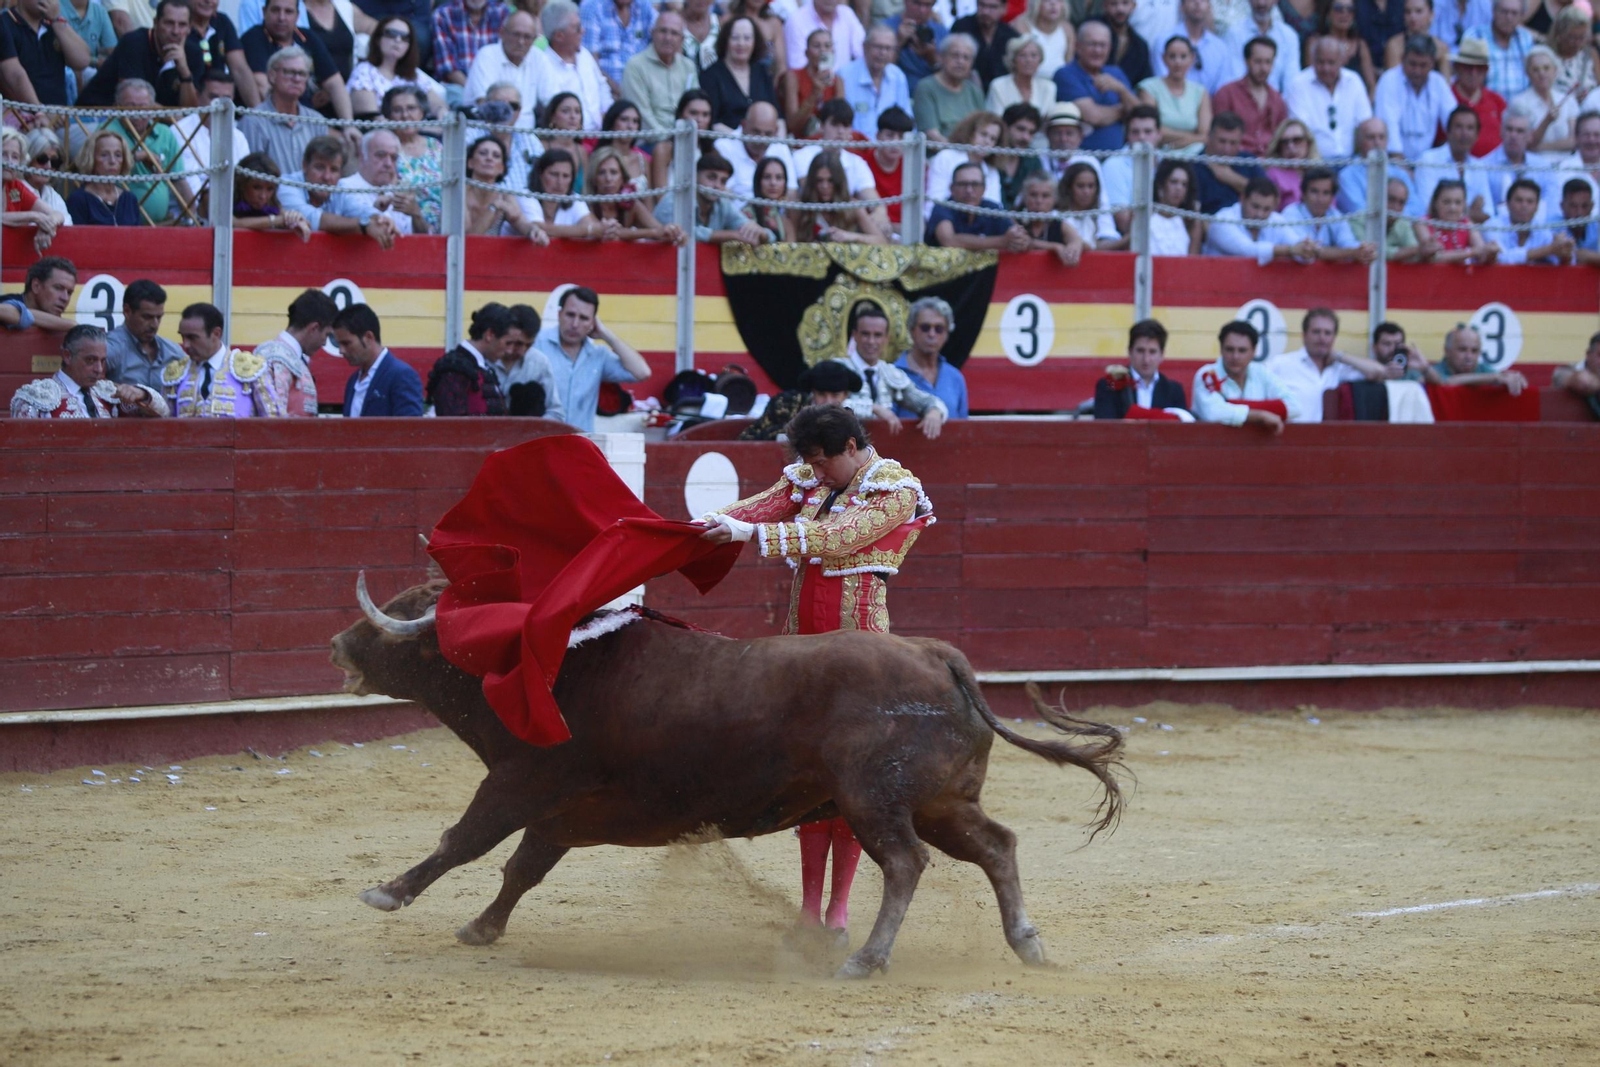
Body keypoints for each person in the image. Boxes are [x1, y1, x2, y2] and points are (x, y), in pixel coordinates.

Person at [699, 403, 935, 944]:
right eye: (811, 463)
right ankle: (809, 909)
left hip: (861, 650)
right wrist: (716, 523)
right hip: (802, 641)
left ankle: (840, 911)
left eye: (825, 461)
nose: (817, 472)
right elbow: (763, 505)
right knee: (806, 772)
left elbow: (839, 537)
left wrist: (749, 536)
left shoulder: (896, 490)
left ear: (852, 447)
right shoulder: (811, 474)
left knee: (850, 776)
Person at [532, 285, 652, 433]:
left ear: (592, 323)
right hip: (541, 441)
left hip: (580, 445)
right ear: (559, 314)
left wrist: (605, 334)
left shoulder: (598, 355)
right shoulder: (536, 343)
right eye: (570, 315)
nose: (575, 324)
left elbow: (642, 372)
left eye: (583, 318)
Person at [1263, 307, 1395, 422]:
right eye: (1316, 332)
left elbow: (1380, 372)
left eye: (1328, 333)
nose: (1322, 338)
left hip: (1328, 443)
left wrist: (1341, 356)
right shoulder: (1281, 363)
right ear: (1304, 335)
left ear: (1334, 337)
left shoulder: (1340, 369)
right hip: (1291, 441)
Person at [835, 300, 947, 434]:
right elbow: (824, 406)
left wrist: (934, 411)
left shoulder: (890, 373)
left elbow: (927, 401)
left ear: (886, 338)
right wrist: (873, 408)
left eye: (877, 335)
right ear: (855, 335)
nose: (871, 341)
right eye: (865, 334)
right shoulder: (837, 369)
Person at [10, 324, 169, 419]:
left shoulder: (107, 393)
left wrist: (141, 394)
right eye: (90, 360)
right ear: (67, 356)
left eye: (102, 361)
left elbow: (162, 413)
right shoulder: (35, 396)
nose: (99, 369)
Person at [278, 135, 401, 247]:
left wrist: (380, 219)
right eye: (320, 167)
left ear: (341, 173)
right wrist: (364, 225)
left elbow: (360, 209)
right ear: (305, 166)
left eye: (334, 170)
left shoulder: (340, 188)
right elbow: (310, 217)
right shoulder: (287, 185)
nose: (327, 177)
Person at [241, 0, 354, 119]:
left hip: (312, 117)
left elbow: (335, 83)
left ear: (298, 15)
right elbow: (263, 87)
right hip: (278, 119)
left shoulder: (307, 37)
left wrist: (348, 125)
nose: (282, 17)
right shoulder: (253, 38)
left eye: (288, 12)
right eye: (275, 10)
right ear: (264, 12)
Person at [163, 302, 278, 417]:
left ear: (216, 334)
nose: (186, 345)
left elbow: (274, 420)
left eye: (192, 337)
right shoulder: (176, 374)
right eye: (183, 337)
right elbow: (164, 423)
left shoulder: (251, 369)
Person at [105, 78, 194, 226]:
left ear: (153, 108)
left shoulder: (165, 133)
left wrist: (192, 217)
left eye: (143, 106)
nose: (138, 112)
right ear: (117, 107)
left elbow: (179, 180)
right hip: (116, 224)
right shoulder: (108, 130)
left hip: (160, 224)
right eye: (131, 106)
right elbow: (92, 167)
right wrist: (140, 156)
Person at [81, 0, 204, 106]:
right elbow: (134, 103)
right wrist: (173, 118)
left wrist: (184, 72)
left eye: (182, 25)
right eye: (169, 23)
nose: (176, 31)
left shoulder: (194, 52)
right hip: (96, 117)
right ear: (155, 23)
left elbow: (190, 112)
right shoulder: (133, 43)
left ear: (189, 28)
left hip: (153, 126)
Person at [241, 46, 337, 176]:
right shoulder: (253, 121)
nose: (297, 79)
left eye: (302, 74)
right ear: (272, 76)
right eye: (289, 72)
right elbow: (252, 175)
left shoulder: (317, 120)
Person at [1192, 318, 1297, 431]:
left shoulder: (1261, 373)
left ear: (1253, 351)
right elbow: (1213, 413)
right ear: (1221, 349)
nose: (1235, 356)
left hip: (1255, 447)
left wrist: (1231, 406)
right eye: (1229, 349)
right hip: (1213, 446)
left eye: (1242, 350)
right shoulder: (1207, 374)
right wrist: (1260, 415)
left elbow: (1294, 407)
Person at [252, 287, 337, 418]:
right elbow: (273, 419)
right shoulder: (278, 358)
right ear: (314, 328)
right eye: (326, 334)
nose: (325, 342)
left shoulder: (288, 357)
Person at [653, 151, 771, 244]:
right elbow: (685, 233)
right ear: (694, 177)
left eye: (723, 181)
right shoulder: (673, 201)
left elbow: (766, 235)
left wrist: (761, 233)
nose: (717, 186)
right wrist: (732, 235)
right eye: (711, 178)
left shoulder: (722, 203)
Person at [172, 68, 251, 206]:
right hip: (194, 215)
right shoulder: (179, 131)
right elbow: (192, 191)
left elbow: (245, 182)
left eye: (226, 99)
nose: (220, 104)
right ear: (197, 96)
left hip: (235, 209)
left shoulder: (238, 136)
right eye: (213, 97)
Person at [1285, 35, 1373, 157]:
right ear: (1313, 60)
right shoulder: (1298, 85)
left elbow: (1365, 124)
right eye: (1321, 62)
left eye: (1331, 63)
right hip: (1314, 163)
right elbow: (1301, 130)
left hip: (1352, 161)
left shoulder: (1354, 81)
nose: (1326, 68)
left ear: (1342, 61)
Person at [1055, 20, 1137, 150]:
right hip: (1082, 158)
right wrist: (1123, 110)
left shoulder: (1116, 73)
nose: (1098, 50)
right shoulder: (1065, 74)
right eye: (1092, 44)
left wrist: (1122, 90)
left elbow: (1139, 113)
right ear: (1078, 46)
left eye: (1102, 45)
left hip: (1119, 155)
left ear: (1110, 48)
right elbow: (1093, 116)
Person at [331, 302, 424, 417]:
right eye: (339, 344)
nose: (341, 350)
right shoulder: (353, 381)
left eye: (346, 343)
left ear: (369, 337)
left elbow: (410, 431)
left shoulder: (401, 376)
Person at [1375, 34, 1458, 160]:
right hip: (1392, 161)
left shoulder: (1438, 82)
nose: (1417, 71)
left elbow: (1454, 121)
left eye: (1423, 65)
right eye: (1412, 64)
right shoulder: (1389, 80)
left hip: (1427, 163)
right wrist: (1403, 168)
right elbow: (1389, 127)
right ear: (1403, 59)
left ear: (1432, 64)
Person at [331, 128, 428, 235]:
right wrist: (376, 210)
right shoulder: (345, 187)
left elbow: (424, 240)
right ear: (362, 157)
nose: (388, 164)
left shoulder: (398, 192)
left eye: (394, 158)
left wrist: (416, 214)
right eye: (381, 155)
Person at [737, 359, 863, 441]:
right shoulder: (785, 405)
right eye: (821, 394)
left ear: (846, 395)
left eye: (835, 395)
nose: (828, 401)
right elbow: (747, 438)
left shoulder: (849, 420)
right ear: (812, 392)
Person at [1204, 175, 1319, 261]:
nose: (1260, 214)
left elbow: (1298, 249)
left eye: (1266, 209)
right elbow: (1247, 250)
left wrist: (1306, 249)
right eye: (1255, 206)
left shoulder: (1276, 220)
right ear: (1242, 199)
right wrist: (1290, 250)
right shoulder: (1222, 220)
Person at [536, 0, 613, 128]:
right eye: (577, 28)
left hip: (602, 135)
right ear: (559, 36)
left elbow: (602, 87)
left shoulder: (585, 55)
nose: (583, 31)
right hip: (571, 139)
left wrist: (608, 116)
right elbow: (556, 110)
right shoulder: (543, 64)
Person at [348, 14, 444, 115]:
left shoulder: (414, 75)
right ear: (378, 39)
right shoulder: (364, 71)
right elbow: (371, 117)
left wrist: (441, 112)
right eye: (391, 34)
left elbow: (438, 106)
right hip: (380, 130)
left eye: (404, 38)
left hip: (416, 129)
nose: (398, 40)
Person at [622, 10, 700, 134]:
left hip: (684, 137)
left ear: (682, 39)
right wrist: (667, 138)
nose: (668, 38)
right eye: (663, 31)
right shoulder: (635, 66)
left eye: (674, 33)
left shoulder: (688, 66)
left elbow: (695, 107)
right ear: (652, 33)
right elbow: (642, 115)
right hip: (649, 140)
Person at [1095, 317, 1188, 418]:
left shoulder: (1174, 391)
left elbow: (1180, 431)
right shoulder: (1109, 385)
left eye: (1152, 352)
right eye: (1140, 351)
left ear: (1162, 354)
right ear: (1130, 351)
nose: (1146, 359)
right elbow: (1105, 429)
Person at [2, 0, 91, 105]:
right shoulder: (4, 23)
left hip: (59, 114)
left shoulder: (55, 25)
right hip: (21, 116)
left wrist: (57, 20)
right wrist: (40, 112)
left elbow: (82, 61)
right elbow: (14, 75)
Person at [464, 10, 545, 125]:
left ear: (534, 40)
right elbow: (485, 104)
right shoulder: (487, 55)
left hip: (527, 136)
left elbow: (553, 99)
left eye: (527, 37)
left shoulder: (538, 57)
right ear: (502, 33)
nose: (521, 42)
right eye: (516, 34)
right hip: (488, 131)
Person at [895, 296, 970, 420]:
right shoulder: (893, 374)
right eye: (925, 327)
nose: (931, 334)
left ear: (946, 334)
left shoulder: (955, 378)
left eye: (939, 329)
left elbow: (964, 431)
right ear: (912, 330)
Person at [929, 161, 1032, 250]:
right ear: (952, 188)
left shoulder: (992, 208)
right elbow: (949, 241)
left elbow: (1019, 236)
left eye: (975, 184)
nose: (969, 190)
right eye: (963, 184)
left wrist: (1018, 240)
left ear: (984, 189)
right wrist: (1002, 241)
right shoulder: (942, 207)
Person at [103, 279, 185, 391]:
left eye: (159, 317)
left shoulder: (174, 352)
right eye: (147, 317)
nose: (154, 325)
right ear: (127, 311)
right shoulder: (112, 346)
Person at [1282, 167, 1379, 261]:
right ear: (1303, 194)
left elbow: (1348, 243)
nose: (1320, 199)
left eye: (1326, 193)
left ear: (1332, 197)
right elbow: (1309, 251)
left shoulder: (1334, 215)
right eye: (1314, 191)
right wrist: (1352, 252)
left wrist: (1363, 250)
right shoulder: (1291, 213)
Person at [1414, 106, 1493, 220]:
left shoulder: (1479, 166)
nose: (1464, 133)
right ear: (1448, 131)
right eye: (1459, 127)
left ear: (1477, 135)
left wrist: (1454, 213)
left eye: (1470, 128)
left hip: (1472, 234)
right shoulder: (1428, 159)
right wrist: (1470, 213)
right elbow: (1428, 209)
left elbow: (1488, 212)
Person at [702, 16, 779, 132]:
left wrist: (780, 143)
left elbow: (779, 117)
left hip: (764, 142)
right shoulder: (711, 75)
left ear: (755, 42)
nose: (741, 43)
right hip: (727, 142)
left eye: (747, 38)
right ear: (726, 40)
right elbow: (713, 122)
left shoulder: (762, 72)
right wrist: (743, 142)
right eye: (735, 38)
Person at [1213, 36, 1288, 154]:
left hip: (1270, 162)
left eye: (1268, 62)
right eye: (1258, 61)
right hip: (1237, 159)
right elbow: (1218, 137)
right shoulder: (1227, 93)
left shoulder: (1277, 99)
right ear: (1246, 61)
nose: (1263, 68)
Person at [588, 145, 680, 241]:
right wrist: (652, 232)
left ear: (623, 177)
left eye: (614, 172)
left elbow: (660, 230)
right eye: (602, 172)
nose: (608, 179)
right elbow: (606, 232)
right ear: (594, 178)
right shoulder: (587, 204)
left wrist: (672, 231)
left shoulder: (631, 203)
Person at [463, 135, 547, 241]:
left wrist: (535, 231)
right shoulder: (460, 194)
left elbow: (521, 222)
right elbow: (469, 241)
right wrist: (493, 208)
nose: (489, 158)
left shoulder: (504, 196)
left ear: (502, 168)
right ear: (470, 163)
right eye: (483, 153)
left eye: (496, 156)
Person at [712, 101, 796, 203]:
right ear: (743, 126)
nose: (762, 139)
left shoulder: (781, 147)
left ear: (776, 131)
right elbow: (724, 195)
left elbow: (791, 192)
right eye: (756, 132)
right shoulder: (723, 147)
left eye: (768, 134)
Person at [791, 153, 885, 243]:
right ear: (812, 181)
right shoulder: (800, 208)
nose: (825, 186)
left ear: (838, 182)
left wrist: (851, 237)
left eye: (830, 181)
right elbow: (790, 244)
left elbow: (881, 241)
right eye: (819, 180)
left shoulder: (852, 207)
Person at [1139, 34, 1212, 148]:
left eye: (1183, 56)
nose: (1178, 62)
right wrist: (1192, 138)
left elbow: (1205, 134)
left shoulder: (1200, 92)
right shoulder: (1149, 88)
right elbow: (1150, 128)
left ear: (1192, 58)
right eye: (1172, 56)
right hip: (1159, 151)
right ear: (1163, 58)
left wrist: (1184, 139)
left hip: (1195, 153)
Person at [496, 303, 566, 419]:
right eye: (517, 343)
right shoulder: (486, 358)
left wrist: (532, 427)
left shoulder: (539, 362)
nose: (522, 351)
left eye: (529, 345)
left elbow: (556, 412)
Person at [926, 109, 1005, 213]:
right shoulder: (946, 157)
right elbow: (933, 203)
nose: (987, 142)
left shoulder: (992, 171)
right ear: (971, 133)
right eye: (983, 134)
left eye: (993, 139)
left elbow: (995, 210)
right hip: (945, 221)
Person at [912, 33, 985, 140]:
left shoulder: (975, 91)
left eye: (966, 58)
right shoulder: (926, 87)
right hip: (939, 154)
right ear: (941, 58)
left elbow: (983, 130)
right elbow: (932, 136)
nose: (960, 62)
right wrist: (960, 154)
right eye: (955, 55)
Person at [187, 0, 261, 106]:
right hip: (183, 108)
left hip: (219, 106)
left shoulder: (222, 22)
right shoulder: (177, 25)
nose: (208, 1)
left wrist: (258, 113)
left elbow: (240, 70)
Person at [841, 24, 911, 137]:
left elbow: (907, 119)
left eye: (888, 48)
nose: (883, 53)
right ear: (865, 47)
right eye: (878, 47)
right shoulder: (844, 76)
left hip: (889, 149)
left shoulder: (897, 76)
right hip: (856, 148)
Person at [1514, 46, 1583, 157]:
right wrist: (1546, 121)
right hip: (1534, 166)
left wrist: (1541, 147)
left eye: (1546, 68)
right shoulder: (1519, 103)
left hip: (1566, 165)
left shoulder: (1568, 100)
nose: (1541, 74)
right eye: (1535, 70)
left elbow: (1575, 140)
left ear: (1555, 70)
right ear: (1528, 74)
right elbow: (1525, 143)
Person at [1148, 0, 1229, 95]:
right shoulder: (1164, 41)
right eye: (1192, 0)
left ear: (1209, 7)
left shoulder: (1220, 47)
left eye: (1203, 1)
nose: (1197, 3)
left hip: (1210, 107)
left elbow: (1222, 87)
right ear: (1181, 6)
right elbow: (1162, 79)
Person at [579, 0, 655, 99]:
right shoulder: (592, 7)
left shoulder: (644, 5)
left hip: (642, 89)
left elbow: (665, 38)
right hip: (606, 91)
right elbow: (589, 63)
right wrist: (621, 92)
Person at [1480, 110, 1552, 213]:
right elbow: (1486, 209)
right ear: (1501, 132)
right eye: (1509, 129)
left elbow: (1551, 206)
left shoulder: (1543, 166)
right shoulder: (1484, 166)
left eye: (1520, 131)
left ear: (1530, 136)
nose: (1513, 135)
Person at [1219, 0, 1299, 93]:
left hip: (1277, 104)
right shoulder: (1234, 34)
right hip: (1241, 102)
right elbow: (1233, 77)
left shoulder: (1289, 36)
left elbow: (1291, 83)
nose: (1261, 3)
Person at [1, 129, 59, 255]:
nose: (9, 161)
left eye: (15, 157)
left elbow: (57, 215)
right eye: (3, 154)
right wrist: (34, 216)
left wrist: (46, 227)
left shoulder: (15, 186)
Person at [1192, 111, 1262, 215]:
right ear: (1209, 136)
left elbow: (1267, 196)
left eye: (1233, 143)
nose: (1227, 148)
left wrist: (1231, 177)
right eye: (1222, 141)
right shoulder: (1193, 167)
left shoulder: (1248, 161)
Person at [67, 129, 142, 226]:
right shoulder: (78, 200)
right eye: (104, 155)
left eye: (118, 155)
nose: (112, 161)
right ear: (91, 158)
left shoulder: (130, 199)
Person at [1422, 322, 1526, 391]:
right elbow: (1446, 382)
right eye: (1462, 350)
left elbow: (1506, 379)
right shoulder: (1435, 372)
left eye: (1474, 351)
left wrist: (1514, 379)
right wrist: (1494, 378)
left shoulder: (1482, 369)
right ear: (1446, 351)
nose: (1469, 357)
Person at [1415, 177, 1497, 262]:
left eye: (1458, 202)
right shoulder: (1423, 223)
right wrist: (1471, 252)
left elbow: (1482, 254)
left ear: (1464, 205)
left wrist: (1492, 253)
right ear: (1435, 203)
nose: (1452, 208)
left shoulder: (1466, 224)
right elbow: (1434, 257)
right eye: (1446, 202)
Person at [232, 152, 314, 237]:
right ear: (241, 184)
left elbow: (307, 225)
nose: (263, 196)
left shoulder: (274, 204)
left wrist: (296, 218)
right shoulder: (227, 203)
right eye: (256, 187)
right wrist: (278, 220)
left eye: (270, 189)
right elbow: (235, 223)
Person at [648, 88, 714, 192]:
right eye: (693, 113)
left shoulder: (712, 151)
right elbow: (660, 196)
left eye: (705, 114)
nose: (699, 119)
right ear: (680, 114)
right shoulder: (664, 149)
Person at [1490, 177, 1570, 263]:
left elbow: (1558, 260)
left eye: (1530, 201)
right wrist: (1548, 250)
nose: (1524, 206)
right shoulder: (1492, 226)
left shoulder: (1542, 231)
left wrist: (1565, 253)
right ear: (1507, 204)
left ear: (1537, 206)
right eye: (1519, 200)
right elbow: (1502, 258)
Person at [431, 0, 506, 91]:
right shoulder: (443, 14)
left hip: (495, 87)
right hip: (458, 86)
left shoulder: (502, 13)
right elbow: (448, 67)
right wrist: (475, 92)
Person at [524, 148, 599, 240]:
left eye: (565, 176)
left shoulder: (574, 199)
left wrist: (593, 229)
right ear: (540, 174)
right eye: (554, 174)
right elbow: (538, 227)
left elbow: (592, 227)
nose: (560, 182)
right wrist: (588, 230)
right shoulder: (525, 195)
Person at [1304, 0, 1375, 95]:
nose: (1345, 14)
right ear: (1328, 13)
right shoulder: (1315, 42)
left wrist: (1364, 106)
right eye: (1338, 8)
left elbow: (1372, 86)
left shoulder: (1360, 45)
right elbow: (1310, 79)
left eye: (1350, 9)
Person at [1467, 0, 1533, 99]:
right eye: (1504, 12)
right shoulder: (1476, 35)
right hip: (1486, 105)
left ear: (1521, 16)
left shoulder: (1525, 38)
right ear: (1493, 11)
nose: (1508, 17)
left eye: (1514, 13)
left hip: (1522, 108)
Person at [985, 34, 1056, 125]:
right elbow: (996, 120)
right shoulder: (998, 85)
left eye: (1033, 55)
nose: (1028, 60)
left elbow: (1049, 122)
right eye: (1022, 55)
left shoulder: (1049, 87)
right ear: (1013, 60)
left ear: (1040, 60)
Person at [1018, 171, 1088, 262]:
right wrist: (1055, 247)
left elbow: (1083, 244)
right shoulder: (1014, 220)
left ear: (1054, 199)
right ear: (1024, 197)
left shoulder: (1060, 224)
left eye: (1045, 196)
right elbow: (1024, 242)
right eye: (1033, 195)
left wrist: (1076, 244)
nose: (1039, 201)